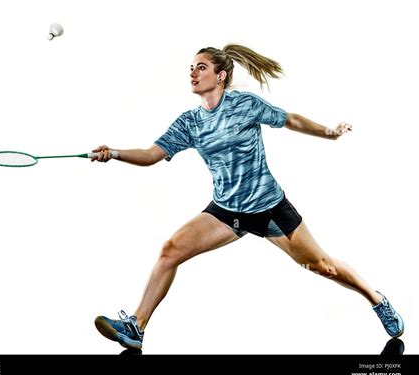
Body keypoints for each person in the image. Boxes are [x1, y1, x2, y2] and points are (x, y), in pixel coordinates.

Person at [91, 44, 404, 350]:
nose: (193, 73)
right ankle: (137, 327)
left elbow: (290, 119)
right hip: (227, 210)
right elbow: (150, 155)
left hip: (268, 206)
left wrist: (329, 132)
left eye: (201, 67)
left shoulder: (245, 105)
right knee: (170, 251)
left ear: (222, 75)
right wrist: (114, 153)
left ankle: (376, 299)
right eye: (191, 68)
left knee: (323, 267)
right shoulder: (189, 123)